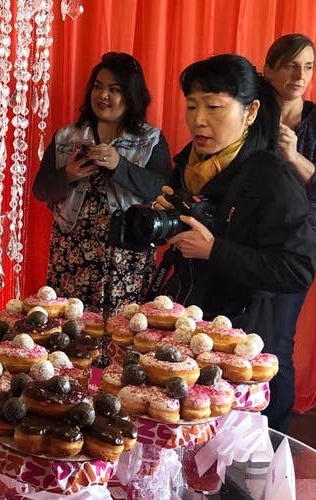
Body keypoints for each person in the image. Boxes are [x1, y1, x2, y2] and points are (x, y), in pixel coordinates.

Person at [153, 54, 316, 431]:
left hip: (245, 345)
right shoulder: (189, 166)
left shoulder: (272, 177)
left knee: (239, 470)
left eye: (213, 106)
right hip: (195, 333)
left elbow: (297, 269)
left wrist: (214, 250)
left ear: (251, 111)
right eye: (191, 106)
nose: (198, 119)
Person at [32, 52, 171, 316]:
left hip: (127, 256)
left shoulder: (150, 139)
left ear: (131, 95)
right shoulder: (66, 136)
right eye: (98, 87)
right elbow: (41, 189)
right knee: (70, 329)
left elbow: (161, 190)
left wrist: (120, 165)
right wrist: (69, 174)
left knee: (123, 332)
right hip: (71, 252)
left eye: (114, 90)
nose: (103, 95)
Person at [262, 34, 316, 431]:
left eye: (309, 67)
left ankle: (274, 440)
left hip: (298, 245)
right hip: (244, 241)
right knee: (239, 338)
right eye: (291, 64)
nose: (300, 75)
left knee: (278, 341)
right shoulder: (250, 115)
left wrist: (295, 157)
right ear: (269, 69)